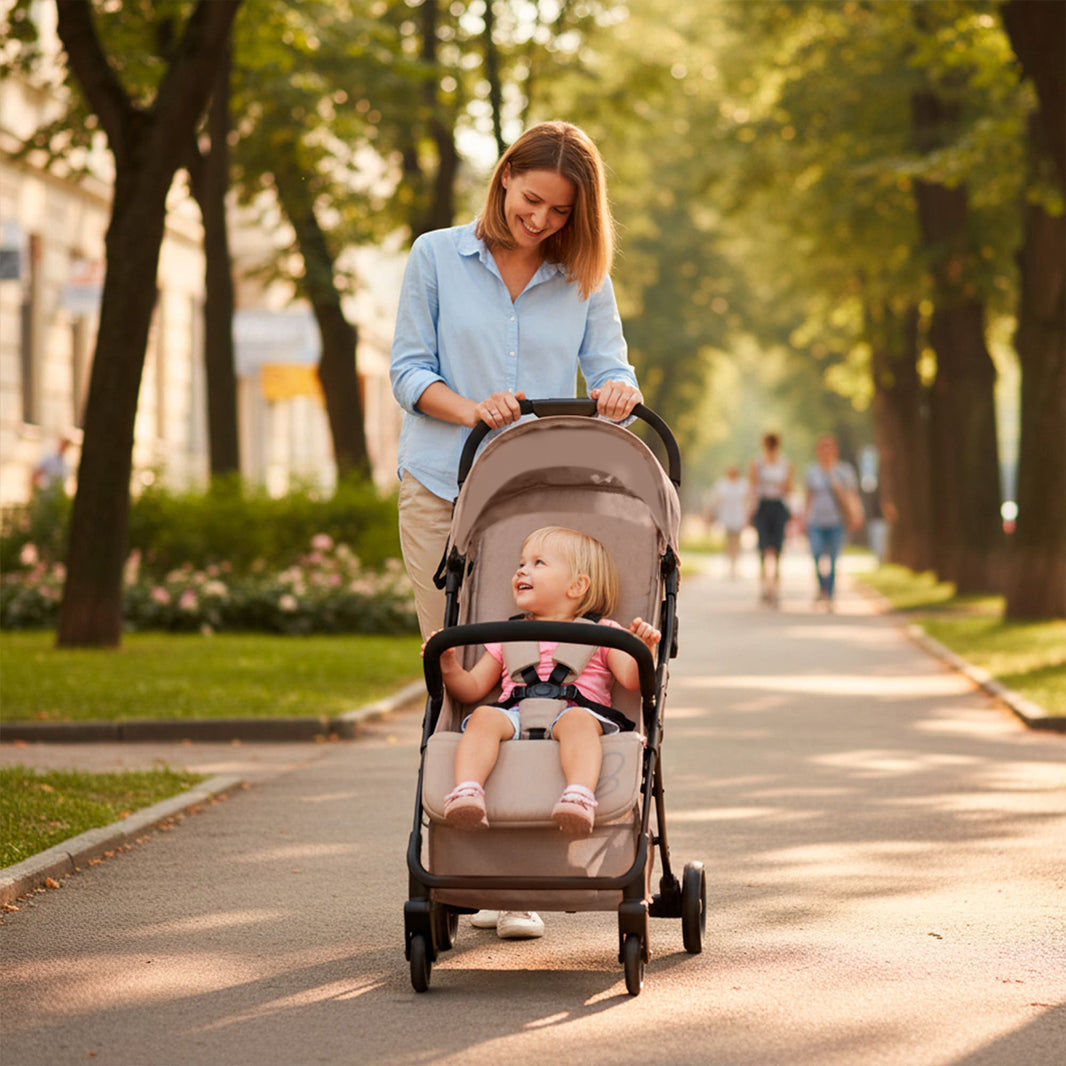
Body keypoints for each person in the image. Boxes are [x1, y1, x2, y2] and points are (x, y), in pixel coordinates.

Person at [391, 121, 642, 940]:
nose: (540, 220)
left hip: (533, 493)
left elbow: (611, 366)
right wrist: (472, 408)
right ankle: (462, 855)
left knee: (538, 678)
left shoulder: (582, 276)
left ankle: (518, 877)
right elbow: (408, 370)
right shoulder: (436, 255)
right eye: (531, 200)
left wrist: (618, 392)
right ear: (504, 178)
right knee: (462, 677)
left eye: (560, 211)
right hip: (441, 484)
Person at [427, 525, 659, 829]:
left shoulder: (603, 632)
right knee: (482, 716)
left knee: (578, 722)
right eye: (521, 563)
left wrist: (646, 648)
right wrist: (448, 665)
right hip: (514, 714)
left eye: (538, 563)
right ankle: (467, 791)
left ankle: (579, 795)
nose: (522, 571)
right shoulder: (507, 635)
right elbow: (471, 689)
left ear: (577, 586)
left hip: (576, 712)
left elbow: (632, 679)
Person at [803, 433, 859, 611]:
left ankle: (830, 595)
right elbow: (808, 497)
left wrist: (855, 515)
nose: (825, 452)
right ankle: (822, 587)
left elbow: (852, 496)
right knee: (816, 555)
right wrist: (803, 519)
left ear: (835, 450)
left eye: (829, 448)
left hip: (837, 521)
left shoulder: (844, 471)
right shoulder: (812, 472)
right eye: (822, 448)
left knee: (833, 559)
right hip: (816, 521)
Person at [749, 433, 792, 607]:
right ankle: (764, 588)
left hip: (778, 506)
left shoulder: (785, 464)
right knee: (763, 549)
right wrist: (750, 511)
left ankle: (775, 588)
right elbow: (753, 487)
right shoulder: (758, 463)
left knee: (777, 550)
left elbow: (788, 488)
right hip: (763, 505)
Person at [709, 465, 749, 578]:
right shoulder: (722, 484)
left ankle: (735, 565)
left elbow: (746, 500)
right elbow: (717, 500)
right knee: (728, 541)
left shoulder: (742, 485)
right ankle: (729, 565)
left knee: (737, 541)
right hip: (726, 516)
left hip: (738, 516)